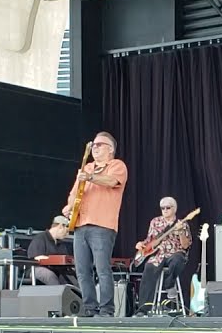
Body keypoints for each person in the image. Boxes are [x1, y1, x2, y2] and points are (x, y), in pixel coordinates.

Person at [63, 131, 127, 316]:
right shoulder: (87, 168)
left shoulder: (116, 165)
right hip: (81, 224)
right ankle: (90, 309)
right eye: (94, 145)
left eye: (99, 145)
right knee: (82, 270)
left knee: (102, 269)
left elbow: (112, 181)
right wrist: (68, 207)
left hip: (102, 225)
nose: (95, 148)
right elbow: (73, 194)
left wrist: (90, 178)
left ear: (110, 149)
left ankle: (107, 310)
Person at [135, 197, 192, 315]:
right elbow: (149, 240)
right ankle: (143, 309)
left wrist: (181, 231)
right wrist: (141, 244)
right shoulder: (155, 222)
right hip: (159, 254)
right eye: (162, 208)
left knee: (177, 260)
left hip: (175, 252)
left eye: (168, 207)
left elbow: (185, 245)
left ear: (174, 209)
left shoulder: (182, 223)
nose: (165, 210)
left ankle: (169, 284)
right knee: (149, 268)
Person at [27, 215, 77, 287]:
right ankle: (57, 297)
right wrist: (53, 260)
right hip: (36, 268)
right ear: (60, 226)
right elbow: (36, 257)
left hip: (56, 270)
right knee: (49, 276)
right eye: (66, 231)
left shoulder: (61, 243)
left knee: (71, 276)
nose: (67, 234)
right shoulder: (40, 238)